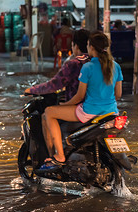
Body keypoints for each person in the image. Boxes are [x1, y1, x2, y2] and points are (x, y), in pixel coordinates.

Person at [40, 31, 123, 169]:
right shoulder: (116, 66)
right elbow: (118, 94)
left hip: (90, 112)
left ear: (91, 47)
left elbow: (79, 96)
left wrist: (64, 105)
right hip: (111, 113)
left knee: (49, 112)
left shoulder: (88, 67)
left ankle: (59, 155)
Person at [24, 29, 91, 102]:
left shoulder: (74, 64)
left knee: (48, 111)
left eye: (72, 45)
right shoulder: (95, 60)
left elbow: (53, 84)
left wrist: (32, 90)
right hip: (96, 105)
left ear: (76, 46)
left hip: (79, 106)